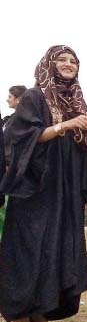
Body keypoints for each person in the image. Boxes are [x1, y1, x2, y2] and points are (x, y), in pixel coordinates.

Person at [0, 46, 87, 322]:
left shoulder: (76, 100)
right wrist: (62, 127)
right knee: (30, 248)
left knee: (55, 249)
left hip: (64, 191)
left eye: (73, 60)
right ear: (48, 64)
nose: (69, 64)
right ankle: (17, 315)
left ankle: (40, 310)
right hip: (36, 191)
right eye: (62, 59)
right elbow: (20, 137)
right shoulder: (34, 96)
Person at [0, 85, 25, 238]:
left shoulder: (20, 122)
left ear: (18, 99)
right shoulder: (9, 120)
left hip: (11, 172)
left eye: (10, 96)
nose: (7, 99)